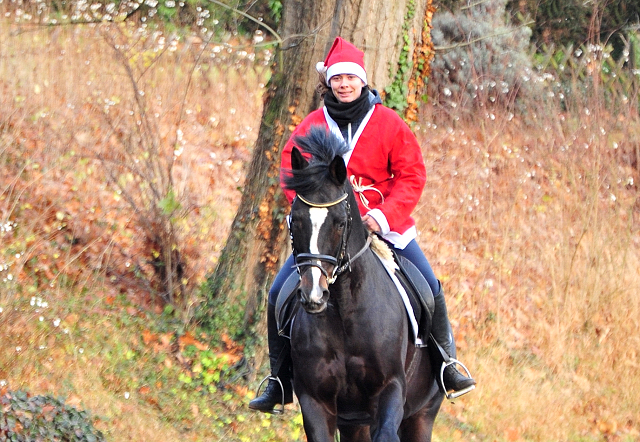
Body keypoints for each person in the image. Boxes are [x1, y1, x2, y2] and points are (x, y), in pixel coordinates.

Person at [249, 37, 475, 413]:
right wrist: (309, 211)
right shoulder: (312, 124)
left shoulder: (388, 123)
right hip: (327, 235)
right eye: (337, 78)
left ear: (362, 81)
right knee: (277, 294)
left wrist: (384, 214)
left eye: (350, 78)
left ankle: (448, 365)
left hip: (385, 227)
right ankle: (277, 380)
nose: (343, 84)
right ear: (329, 83)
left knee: (430, 287)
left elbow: (412, 174)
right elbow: (291, 171)